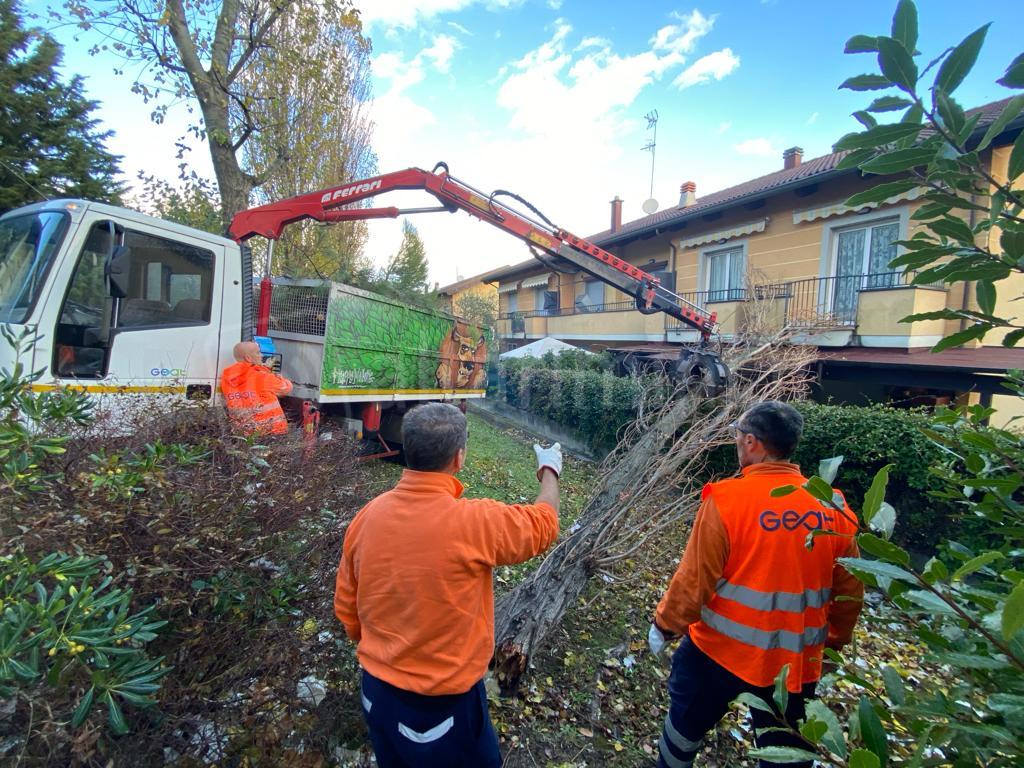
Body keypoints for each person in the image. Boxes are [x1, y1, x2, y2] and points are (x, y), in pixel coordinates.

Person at [334, 402, 562, 767]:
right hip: (440, 708)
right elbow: (543, 524)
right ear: (459, 458)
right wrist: (549, 469)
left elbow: (347, 606)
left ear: (407, 448)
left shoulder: (367, 517)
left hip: (376, 694)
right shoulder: (475, 522)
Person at [649, 400, 863, 768]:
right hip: (794, 665)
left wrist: (665, 624)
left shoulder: (727, 501)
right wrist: (833, 647)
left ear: (751, 443)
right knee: (787, 752)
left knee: (684, 728)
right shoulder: (834, 508)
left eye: (737, 437)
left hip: (715, 656)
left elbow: (695, 580)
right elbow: (850, 591)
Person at [219, 341, 293, 434]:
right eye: (258, 352)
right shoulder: (262, 376)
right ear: (248, 358)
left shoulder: (227, 379)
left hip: (243, 433)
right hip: (270, 431)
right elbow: (286, 388)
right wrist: (281, 378)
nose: (261, 355)